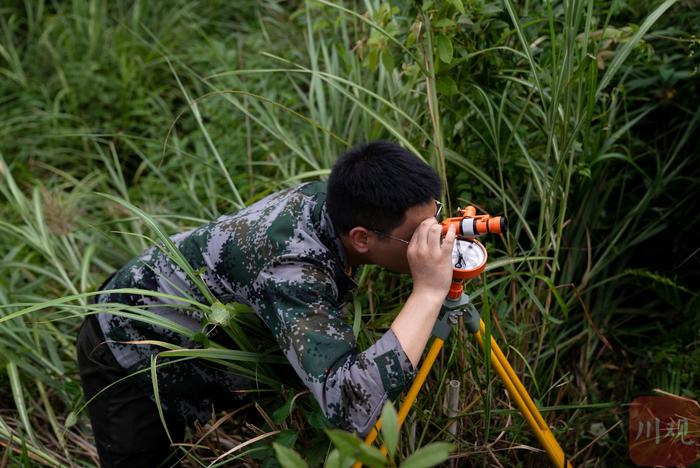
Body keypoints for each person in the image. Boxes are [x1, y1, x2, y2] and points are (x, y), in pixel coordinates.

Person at [76, 140, 457, 467]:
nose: (433, 237)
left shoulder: (340, 205)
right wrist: (427, 292)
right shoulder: (289, 269)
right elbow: (349, 405)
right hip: (128, 343)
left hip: (195, 330)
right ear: (361, 238)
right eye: (416, 236)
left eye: (436, 219)